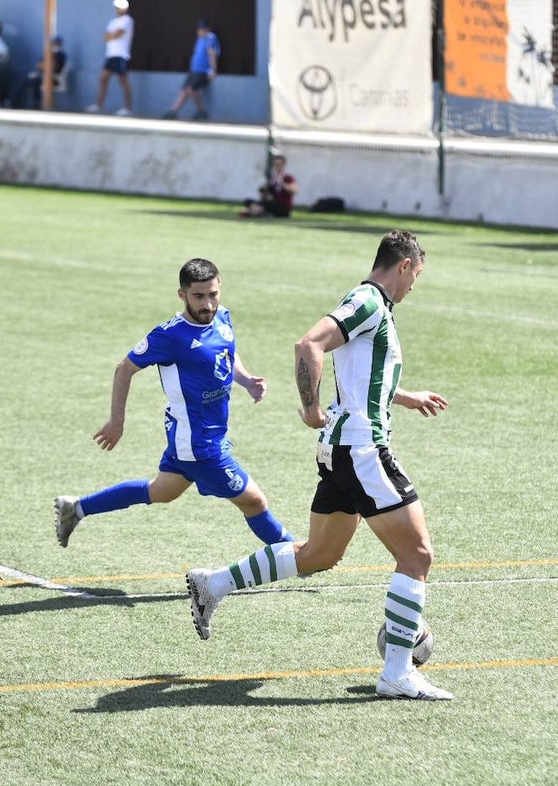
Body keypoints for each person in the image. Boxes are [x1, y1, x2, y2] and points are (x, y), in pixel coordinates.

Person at [185, 230, 455, 702]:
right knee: (417, 557)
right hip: (362, 450)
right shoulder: (369, 301)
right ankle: (396, 672)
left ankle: (214, 583)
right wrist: (310, 405)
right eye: (416, 277)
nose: (414, 288)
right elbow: (308, 344)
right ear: (406, 265)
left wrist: (406, 398)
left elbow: (359, 374)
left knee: (319, 556)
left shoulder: (372, 307)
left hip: (342, 450)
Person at [55, 258, 292, 552]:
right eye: (199, 296)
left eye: (213, 294)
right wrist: (117, 421)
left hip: (200, 434)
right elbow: (124, 369)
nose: (208, 304)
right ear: (182, 295)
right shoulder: (169, 336)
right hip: (198, 443)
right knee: (254, 501)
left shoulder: (222, 317)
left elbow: (227, 355)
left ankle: (76, 509)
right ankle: (299, 555)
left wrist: (245, 380)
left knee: (162, 491)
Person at [163, 19, 220, 121]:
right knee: (184, 90)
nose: (199, 31)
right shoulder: (200, 39)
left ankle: (201, 111)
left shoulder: (210, 38)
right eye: (198, 29)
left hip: (203, 71)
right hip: (194, 70)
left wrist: (213, 69)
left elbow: (211, 53)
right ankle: (173, 111)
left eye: (202, 29)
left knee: (191, 89)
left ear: (207, 29)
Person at [87, 0, 134, 116]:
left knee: (123, 81)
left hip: (121, 55)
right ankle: (98, 105)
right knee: (103, 78)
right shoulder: (113, 22)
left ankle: (127, 108)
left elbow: (118, 34)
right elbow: (106, 37)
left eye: (120, 7)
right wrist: (111, 35)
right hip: (111, 55)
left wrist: (111, 35)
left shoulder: (127, 20)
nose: (118, 9)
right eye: (117, 7)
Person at [6, 36, 67, 109]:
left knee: (36, 81)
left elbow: (53, 67)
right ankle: (12, 101)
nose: (54, 45)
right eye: (53, 43)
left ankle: (37, 103)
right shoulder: (49, 53)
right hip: (43, 76)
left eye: (55, 43)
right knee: (26, 80)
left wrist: (46, 65)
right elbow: (39, 65)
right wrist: (45, 65)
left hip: (54, 78)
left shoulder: (60, 55)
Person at [240, 153, 299, 217]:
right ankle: (257, 212)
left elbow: (294, 190)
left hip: (283, 206)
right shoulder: (272, 179)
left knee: (267, 205)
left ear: (284, 165)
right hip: (272, 204)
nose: (277, 167)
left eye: (279, 165)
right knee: (248, 201)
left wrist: (281, 183)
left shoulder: (288, 177)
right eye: (276, 165)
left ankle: (252, 212)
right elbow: (266, 196)